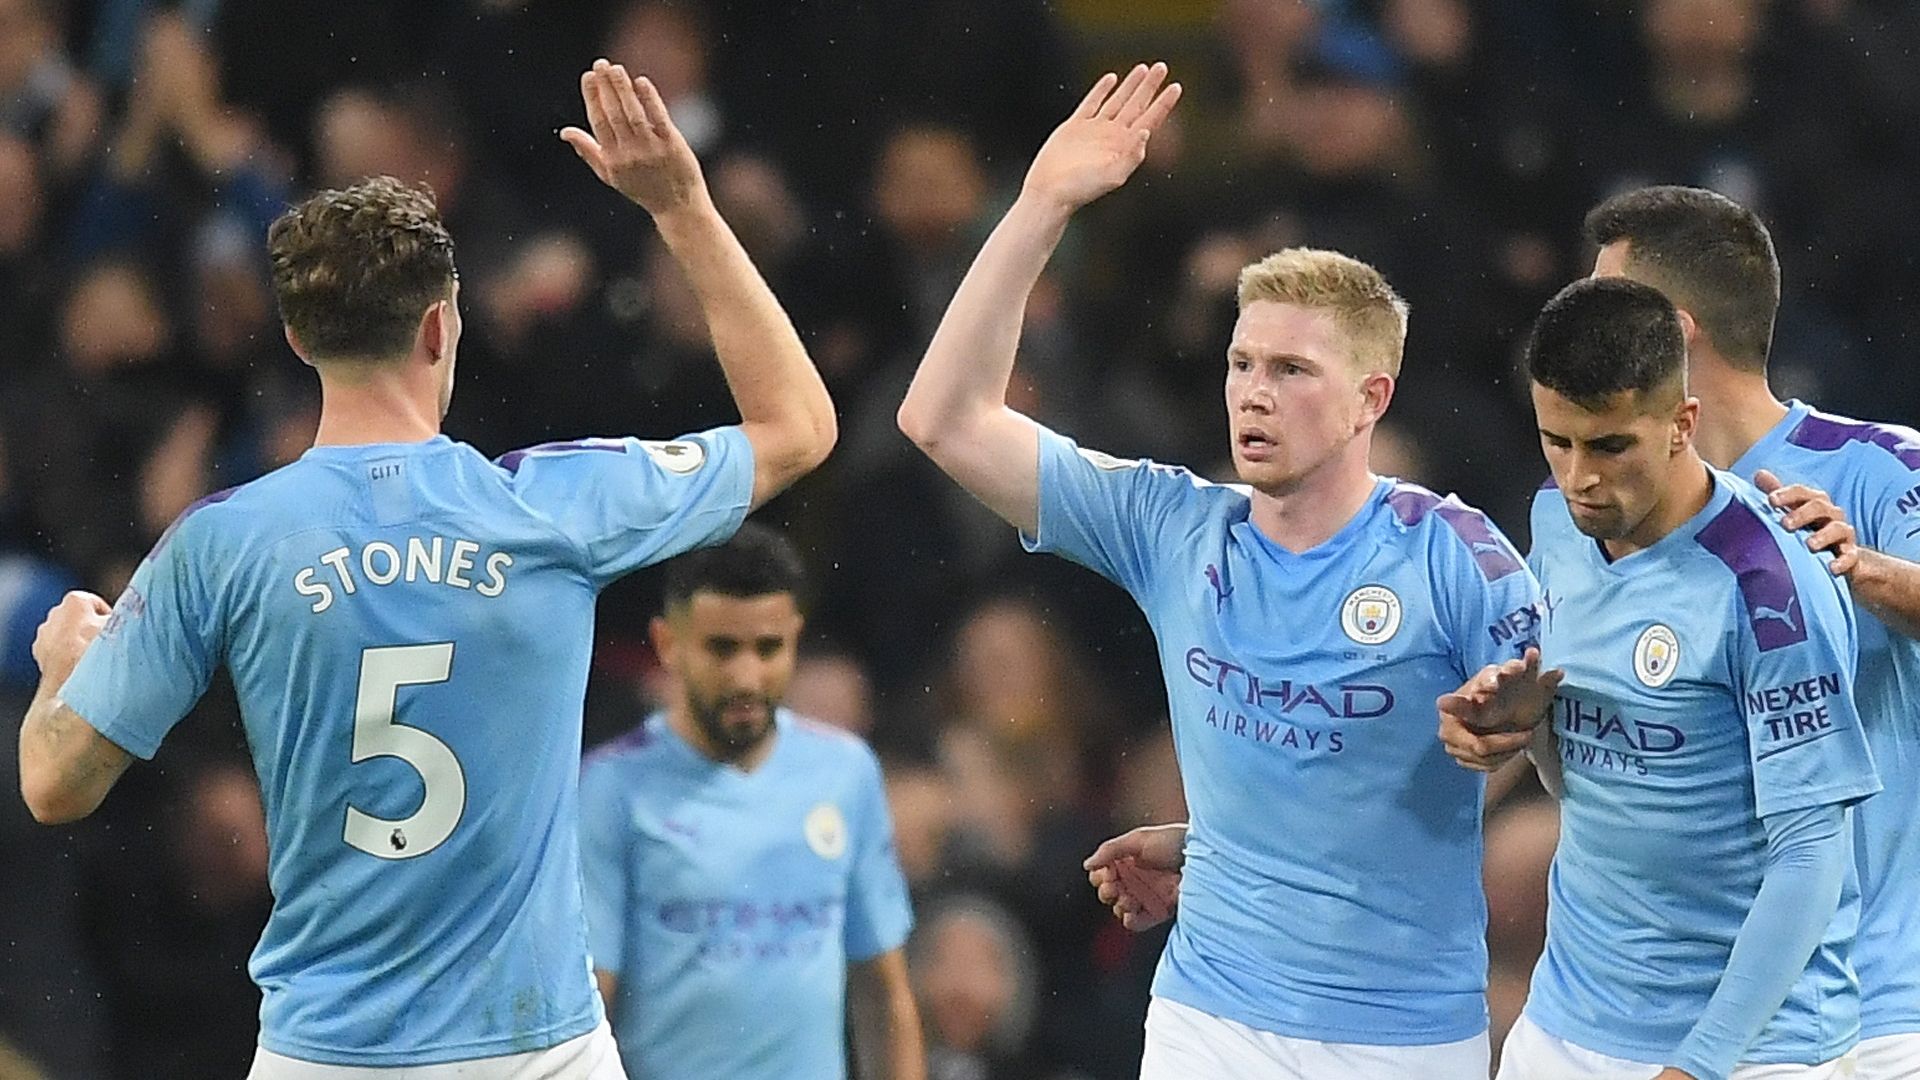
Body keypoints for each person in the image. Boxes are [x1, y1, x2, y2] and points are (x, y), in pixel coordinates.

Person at [16, 59, 835, 1077]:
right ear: (441, 325)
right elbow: (798, 426)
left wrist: (64, 665)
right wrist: (682, 206)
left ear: (298, 338)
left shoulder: (223, 540)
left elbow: (53, 784)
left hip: (328, 1054)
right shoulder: (551, 507)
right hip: (539, 1054)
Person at [897, 63, 1555, 1079]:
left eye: (1292, 371)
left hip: (1402, 1034)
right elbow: (941, 419)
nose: (1253, 394)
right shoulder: (1175, 523)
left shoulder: (1453, 552)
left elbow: (1557, 726)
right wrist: (1041, 205)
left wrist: (1516, 727)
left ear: (1369, 397)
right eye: (1243, 364)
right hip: (1210, 1018)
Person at [1472, 276, 1877, 1080]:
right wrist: (1520, 728)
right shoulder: (1554, 521)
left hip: (1755, 1047)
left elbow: (1811, 857)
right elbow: (1602, 782)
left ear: (1681, 422)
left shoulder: (1769, 587)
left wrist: (1699, 1066)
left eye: (1611, 445)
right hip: (1570, 1022)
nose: (1580, 477)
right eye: (1558, 441)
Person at [1583, 185, 1920, 1079]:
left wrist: (1862, 568)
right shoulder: (1600, 504)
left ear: (1676, 333)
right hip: (1652, 1007)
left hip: (1877, 1009)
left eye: (1605, 307)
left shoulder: (1879, 465)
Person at [577, 523, 923, 1080]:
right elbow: (591, 1006)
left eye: (768, 648)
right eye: (722, 648)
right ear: (668, 644)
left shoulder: (845, 773)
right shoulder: (612, 788)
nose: (747, 676)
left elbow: (882, 994)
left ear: (795, 639)